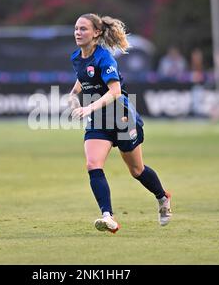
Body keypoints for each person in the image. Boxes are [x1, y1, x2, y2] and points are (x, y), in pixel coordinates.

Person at [68, 13, 172, 234]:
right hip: (98, 121)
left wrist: (88, 107)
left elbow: (115, 91)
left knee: (136, 170)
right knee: (92, 165)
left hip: (121, 117)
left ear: (96, 33)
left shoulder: (105, 57)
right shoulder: (77, 57)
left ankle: (162, 198)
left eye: (83, 29)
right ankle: (108, 216)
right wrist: (72, 95)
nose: (78, 32)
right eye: (76, 28)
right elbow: (82, 79)